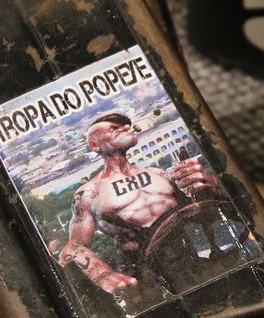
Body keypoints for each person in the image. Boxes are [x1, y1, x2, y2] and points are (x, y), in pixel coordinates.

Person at [57, 111, 224, 292]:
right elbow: (73, 247)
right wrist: (103, 275)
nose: (125, 128)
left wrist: (211, 185)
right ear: (94, 145)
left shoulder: (159, 174)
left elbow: (202, 211)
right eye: (113, 128)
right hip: (142, 276)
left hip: (191, 261)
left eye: (126, 126)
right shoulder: (89, 193)